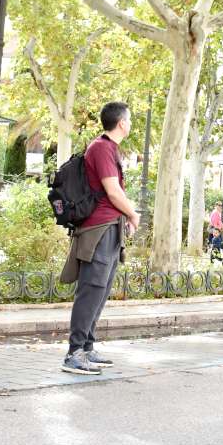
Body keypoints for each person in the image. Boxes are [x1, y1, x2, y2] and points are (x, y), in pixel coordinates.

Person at [59, 102, 139, 376]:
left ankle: (87, 347)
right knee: (91, 289)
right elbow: (113, 191)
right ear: (121, 123)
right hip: (99, 229)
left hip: (110, 227)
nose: (130, 124)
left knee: (101, 291)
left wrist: (125, 218)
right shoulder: (102, 148)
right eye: (129, 120)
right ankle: (74, 352)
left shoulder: (109, 149)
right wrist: (134, 214)